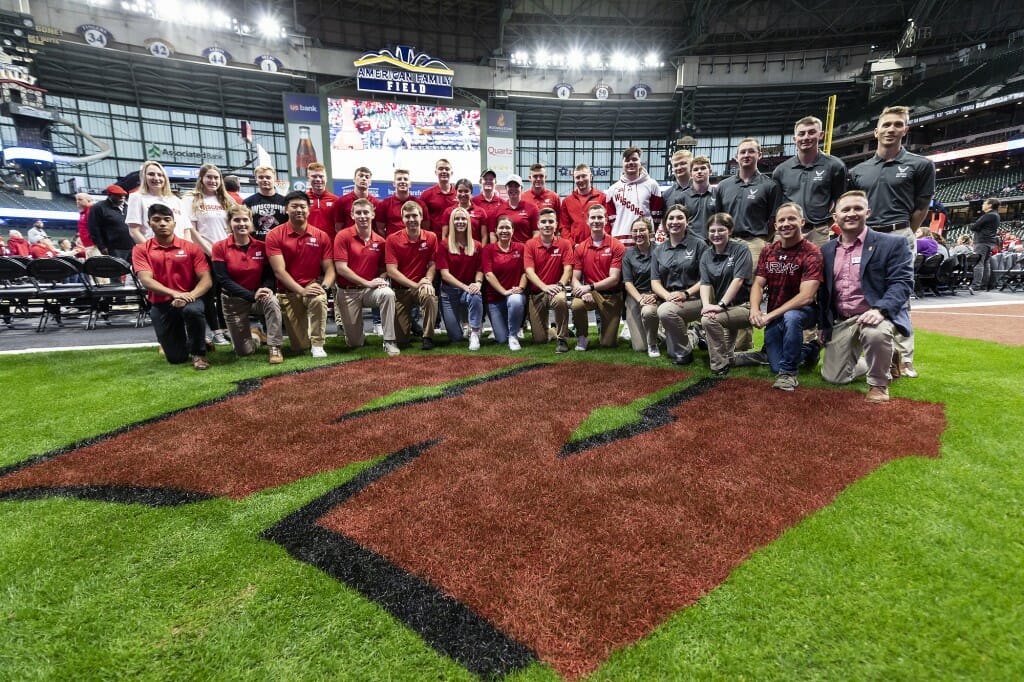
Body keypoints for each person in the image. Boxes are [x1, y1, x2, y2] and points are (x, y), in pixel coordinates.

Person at [849, 105, 935, 378]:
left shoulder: (920, 165)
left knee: (900, 294)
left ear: (905, 130)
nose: (891, 129)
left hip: (898, 233)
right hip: (867, 235)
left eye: (897, 124)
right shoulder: (859, 170)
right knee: (864, 292)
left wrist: (904, 234)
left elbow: (922, 207)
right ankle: (875, 349)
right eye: (886, 125)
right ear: (876, 131)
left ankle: (905, 358)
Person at [819, 190, 914, 404]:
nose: (851, 213)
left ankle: (878, 384)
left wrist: (880, 310)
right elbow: (823, 293)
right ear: (835, 217)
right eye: (845, 209)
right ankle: (887, 358)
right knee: (834, 377)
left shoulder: (892, 244)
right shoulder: (826, 250)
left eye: (857, 208)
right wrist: (822, 325)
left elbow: (902, 283)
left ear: (867, 212)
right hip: (843, 320)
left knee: (875, 334)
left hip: (875, 314)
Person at [746, 203, 823, 391]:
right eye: (781, 220)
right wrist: (755, 309)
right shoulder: (769, 250)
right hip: (775, 312)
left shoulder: (811, 252)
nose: (786, 224)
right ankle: (811, 349)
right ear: (775, 225)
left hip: (805, 312)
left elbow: (806, 296)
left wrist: (770, 315)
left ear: (802, 222)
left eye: (791, 219)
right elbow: (758, 283)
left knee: (792, 317)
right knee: (775, 365)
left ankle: (789, 374)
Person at [132, 202, 212, 370]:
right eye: (157, 220)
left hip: (190, 298)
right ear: (149, 224)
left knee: (194, 311)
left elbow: (206, 280)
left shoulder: (191, 248)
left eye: (167, 219)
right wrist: (175, 294)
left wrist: (190, 295)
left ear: (174, 224)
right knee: (176, 358)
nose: (162, 223)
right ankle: (194, 340)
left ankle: (199, 353)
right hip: (161, 302)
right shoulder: (141, 249)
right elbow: (146, 280)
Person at [211, 205, 285, 364]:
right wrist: (250, 295)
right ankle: (256, 335)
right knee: (244, 352)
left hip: (258, 296)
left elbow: (269, 275)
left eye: (245, 219)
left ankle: (275, 346)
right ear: (230, 223)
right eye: (236, 220)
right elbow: (223, 280)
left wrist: (265, 288)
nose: (241, 223)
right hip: (233, 301)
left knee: (272, 301)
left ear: (251, 222)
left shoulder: (261, 246)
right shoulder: (219, 247)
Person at [265, 191, 335, 358]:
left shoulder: (321, 236)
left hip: (311, 286)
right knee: (299, 346)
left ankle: (318, 344)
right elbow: (279, 271)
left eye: (303, 206)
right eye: (294, 206)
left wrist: (323, 287)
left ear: (308, 210)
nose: (299, 210)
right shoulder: (274, 235)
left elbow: (330, 269)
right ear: (286, 210)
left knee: (318, 298)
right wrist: (301, 291)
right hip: (288, 292)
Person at [333, 198, 400, 356]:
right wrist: (367, 282)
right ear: (352, 215)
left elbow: (385, 269)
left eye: (366, 212)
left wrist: (382, 279)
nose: (362, 216)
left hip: (370, 291)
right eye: (358, 213)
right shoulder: (342, 236)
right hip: (348, 291)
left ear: (373, 214)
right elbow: (341, 269)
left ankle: (389, 341)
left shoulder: (381, 241)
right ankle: (356, 333)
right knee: (355, 343)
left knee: (388, 293)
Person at [772, 116, 847, 247]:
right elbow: (777, 206)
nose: (806, 137)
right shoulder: (781, 170)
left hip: (818, 231)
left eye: (811, 132)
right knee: (782, 267)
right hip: (787, 231)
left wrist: (826, 224)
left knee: (820, 267)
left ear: (821, 135)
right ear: (795, 139)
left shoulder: (835, 166)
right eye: (801, 134)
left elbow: (840, 201)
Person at [184, 163, 234, 346]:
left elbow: (231, 226)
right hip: (204, 253)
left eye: (216, 178)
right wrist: (209, 251)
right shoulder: (192, 199)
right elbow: (192, 230)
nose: (213, 181)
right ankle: (216, 331)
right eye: (209, 177)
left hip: (224, 253)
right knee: (208, 293)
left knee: (224, 292)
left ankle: (226, 327)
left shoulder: (226, 200)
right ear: (202, 179)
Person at [652, 205, 707, 364]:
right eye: (671, 218)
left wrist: (686, 294)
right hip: (671, 300)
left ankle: (685, 354)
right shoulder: (659, 250)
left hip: (695, 299)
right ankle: (694, 334)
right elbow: (655, 282)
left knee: (664, 311)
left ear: (687, 222)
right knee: (671, 352)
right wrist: (668, 296)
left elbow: (706, 279)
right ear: (665, 223)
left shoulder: (699, 245)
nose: (675, 222)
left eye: (679, 218)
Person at [699, 213, 753, 375]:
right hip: (725, 308)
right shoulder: (707, 255)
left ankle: (719, 364)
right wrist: (707, 305)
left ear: (730, 231)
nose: (716, 234)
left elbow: (738, 280)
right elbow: (705, 283)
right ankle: (728, 359)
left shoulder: (741, 250)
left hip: (745, 306)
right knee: (729, 353)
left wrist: (720, 306)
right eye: (712, 231)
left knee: (708, 320)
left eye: (721, 230)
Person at [385, 200, 439, 350]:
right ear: (402, 219)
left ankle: (427, 336)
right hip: (401, 290)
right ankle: (413, 325)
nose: (411, 220)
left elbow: (432, 264)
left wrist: (428, 280)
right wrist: (415, 285)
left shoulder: (431, 237)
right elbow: (391, 271)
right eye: (407, 216)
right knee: (401, 341)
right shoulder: (392, 239)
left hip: (422, 285)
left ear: (421, 217)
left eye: (414, 215)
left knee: (429, 295)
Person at [571, 204, 625, 350]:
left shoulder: (617, 246)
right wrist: (584, 291)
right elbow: (575, 278)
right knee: (576, 304)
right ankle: (582, 337)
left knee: (608, 344)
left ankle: (606, 331)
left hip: (612, 296)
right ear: (587, 221)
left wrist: (589, 287)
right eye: (593, 217)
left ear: (606, 220)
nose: (596, 221)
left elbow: (614, 278)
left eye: (600, 217)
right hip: (591, 294)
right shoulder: (581, 247)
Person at [524, 207, 573, 353]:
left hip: (556, 289)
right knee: (540, 340)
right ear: (538, 225)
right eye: (543, 222)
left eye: (550, 221)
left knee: (560, 300)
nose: (547, 225)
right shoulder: (530, 244)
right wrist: (544, 287)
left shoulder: (564, 244)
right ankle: (553, 331)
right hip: (537, 292)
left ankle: (562, 339)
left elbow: (568, 269)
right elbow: (529, 272)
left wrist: (559, 285)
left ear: (556, 224)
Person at [437, 207, 484, 350]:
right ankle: (462, 329)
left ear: (468, 222)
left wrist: (477, 284)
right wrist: (465, 287)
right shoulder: (444, 245)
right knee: (456, 338)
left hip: (468, 291)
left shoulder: (477, 245)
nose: (460, 221)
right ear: (452, 222)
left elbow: (480, 269)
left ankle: (475, 333)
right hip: (449, 293)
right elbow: (444, 274)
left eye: (463, 219)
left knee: (475, 296)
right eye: (457, 219)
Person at [482, 215, 527, 350]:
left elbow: (526, 271)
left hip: (514, 294)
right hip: (495, 300)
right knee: (501, 339)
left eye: (508, 227)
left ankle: (513, 335)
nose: (504, 231)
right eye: (501, 228)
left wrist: (521, 287)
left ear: (513, 230)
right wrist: (504, 291)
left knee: (515, 300)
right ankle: (509, 331)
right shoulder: (488, 249)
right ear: (495, 230)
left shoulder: (521, 248)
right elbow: (488, 275)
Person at [605, 145, 663, 247]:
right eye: (627, 160)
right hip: (620, 243)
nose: (631, 162)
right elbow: (611, 220)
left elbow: (657, 217)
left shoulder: (652, 185)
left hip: (645, 242)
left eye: (634, 159)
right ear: (622, 164)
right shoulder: (613, 189)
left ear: (640, 163)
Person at [622, 217, 661, 357]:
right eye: (635, 231)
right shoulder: (628, 254)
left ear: (650, 232)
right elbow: (628, 282)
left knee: (649, 312)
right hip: (635, 296)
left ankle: (653, 342)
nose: (638, 233)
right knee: (639, 347)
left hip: (657, 294)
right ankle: (658, 334)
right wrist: (640, 299)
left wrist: (655, 295)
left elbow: (667, 278)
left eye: (642, 230)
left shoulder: (661, 250)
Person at [127, 160, 185, 243]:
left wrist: (186, 250)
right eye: (151, 174)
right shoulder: (137, 197)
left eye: (160, 175)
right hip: (153, 252)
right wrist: (151, 251)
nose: (156, 178)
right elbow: (134, 230)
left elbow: (186, 230)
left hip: (179, 251)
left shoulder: (176, 200)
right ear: (144, 177)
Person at [560, 163, 606, 244]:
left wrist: (601, 242)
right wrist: (572, 245)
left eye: (584, 176)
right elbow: (564, 227)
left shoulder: (602, 197)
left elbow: (607, 223)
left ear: (591, 176)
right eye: (577, 177)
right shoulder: (567, 201)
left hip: (597, 246)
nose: (581, 180)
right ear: (574, 179)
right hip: (575, 249)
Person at [87, 185, 134, 261]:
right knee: (117, 270)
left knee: (133, 270)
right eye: (118, 196)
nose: (122, 198)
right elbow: (94, 228)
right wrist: (101, 246)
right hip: (113, 247)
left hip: (131, 245)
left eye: (123, 195)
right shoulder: (99, 207)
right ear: (110, 195)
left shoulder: (128, 207)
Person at [375, 168, 428, 236]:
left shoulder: (420, 204)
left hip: (415, 244)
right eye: (399, 179)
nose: (402, 181)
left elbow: (426, 228)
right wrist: (390, 241)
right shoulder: (384, 204)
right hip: (393, 244)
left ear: (410, 184)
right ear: (394, 183)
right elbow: (380, 228)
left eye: (405, 179)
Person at [490, 174, 538, 244]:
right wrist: (496, 251)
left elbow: (536, 233)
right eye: (510, 186)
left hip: (524, 251)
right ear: (506, 188)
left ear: (521, 188)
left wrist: (530, 249)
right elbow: (493, 234)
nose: (513, 188)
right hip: (504, 252)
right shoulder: (498, 210)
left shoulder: (532, 208)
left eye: (516, 186)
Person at [243, 166, 288, 239]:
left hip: (279, 243)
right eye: (261, 177)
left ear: (274, 179)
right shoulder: (248, 202)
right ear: (256, 179)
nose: (264, 180)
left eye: (268, 177)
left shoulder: (285, 201)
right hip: (256, 244)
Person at [680, 155, 717, 241]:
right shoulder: (682, 197)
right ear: (691, 174)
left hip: (713, 242)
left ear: (710, 171)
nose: (699, 171)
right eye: (695, 169)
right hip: (689, 244)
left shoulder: (718, 195)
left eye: (703, 168)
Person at [331, 166, 378, 234]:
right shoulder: (341, 201)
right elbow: (338, 228)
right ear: (354, 179)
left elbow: (379, 228)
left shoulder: (377, 203)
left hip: (369, 243)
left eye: (367, 177)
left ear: (370, 182)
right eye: (361, 176)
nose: (364, 179)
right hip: (348, 241)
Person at [968, 197, 1000, 293]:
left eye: (984, 203)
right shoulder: (996, 215)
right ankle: (983, 285)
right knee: (986, 263)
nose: (983, 205)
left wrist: (977, 227)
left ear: (990, 205)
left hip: (982, 241)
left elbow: (973, 227)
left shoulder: (988, 215)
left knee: (979, 263)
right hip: (990, 242)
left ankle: (975, 285)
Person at [440, 178, 487, 242]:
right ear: (456, 192)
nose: (463, 194)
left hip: (475, 250)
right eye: (460, 191)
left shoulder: (481, 212)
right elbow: (445, 235)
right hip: (454, 250)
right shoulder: (448, 211)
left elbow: (484, 236)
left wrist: (481, 251)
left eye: (466, 191)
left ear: (471, 192)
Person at [420, 158, 457, 233]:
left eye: (447, 169)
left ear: (451, 172)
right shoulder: (426, 195)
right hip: (435, 239)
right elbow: (421, 219)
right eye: (440, 169)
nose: (444, 171)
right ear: (436, 172)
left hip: (455, 239)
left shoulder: (459, 194)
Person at [304, 162, 338, 239]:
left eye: (321, 176)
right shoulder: (303, 199)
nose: (318, 179)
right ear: (308, 178)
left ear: (326, 178)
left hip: (330, 245)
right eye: (314, 176)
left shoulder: (335, 200)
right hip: (308, 244)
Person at [471, 168, 507, 232]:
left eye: (491, 179)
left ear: (495, 182)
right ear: (480, 181)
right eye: (485, 179)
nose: (488, 181)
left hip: (496, 239)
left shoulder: (503, 203)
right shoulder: (473, 201)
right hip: (477, 240)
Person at [660, 150, 692, 219]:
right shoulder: (666, 195)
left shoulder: (700, 191)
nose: (679, 167)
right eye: (675, 165)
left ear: (691, 165)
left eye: (683, 163)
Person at [75, 193, 99, 259]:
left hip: (94, 245)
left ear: (88, 200)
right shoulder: (84, 212)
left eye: (80, 199)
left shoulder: (91, 210)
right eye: (76, 200)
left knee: (97, 266)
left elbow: (95, 226)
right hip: (88, 246)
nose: (77, 201)